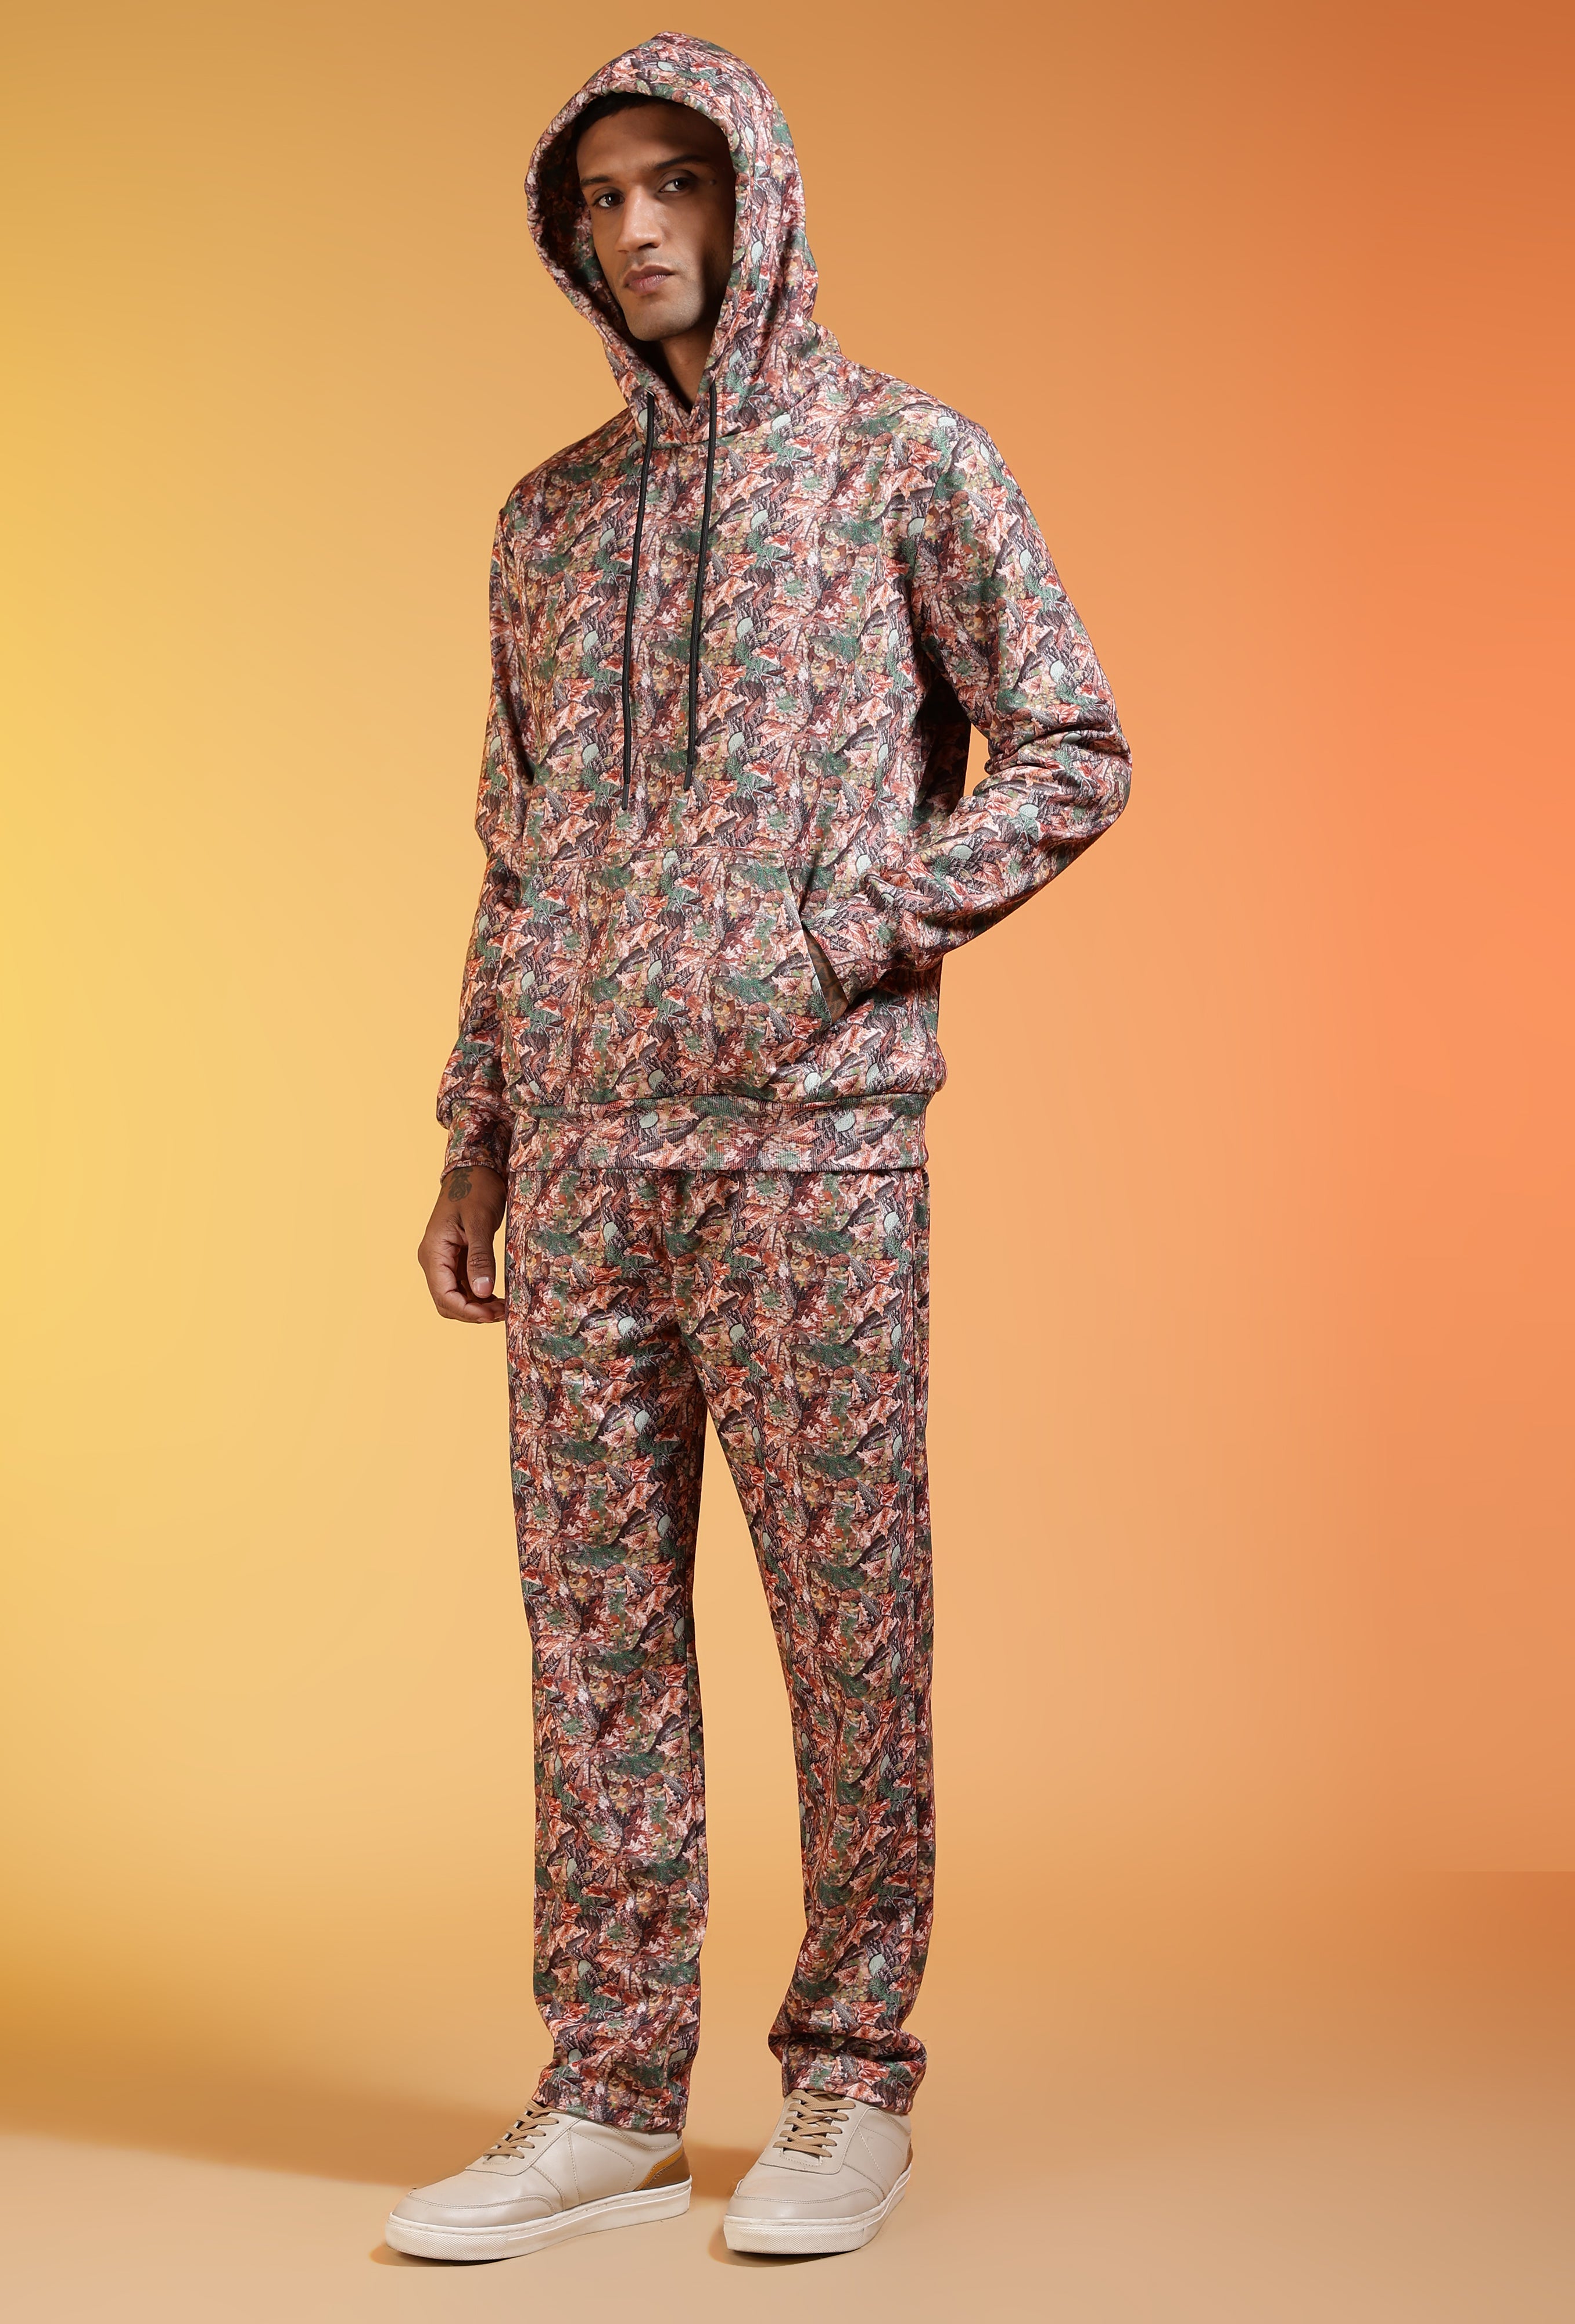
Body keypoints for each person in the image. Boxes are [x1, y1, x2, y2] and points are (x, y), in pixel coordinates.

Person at [390, 31, 1130, 2264]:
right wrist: (477, 1129)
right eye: (601, 197)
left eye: (676, 183)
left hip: (814, 1150)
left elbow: (1073, 747)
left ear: (755, 197)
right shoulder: (547, 522)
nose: (638, 228)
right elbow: (515, 854)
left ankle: (850, 2075)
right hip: (588, 1157)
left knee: (850, 1621)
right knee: (594, 1635)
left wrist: (843, 928)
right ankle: (611, 2093)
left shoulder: (910, 461)